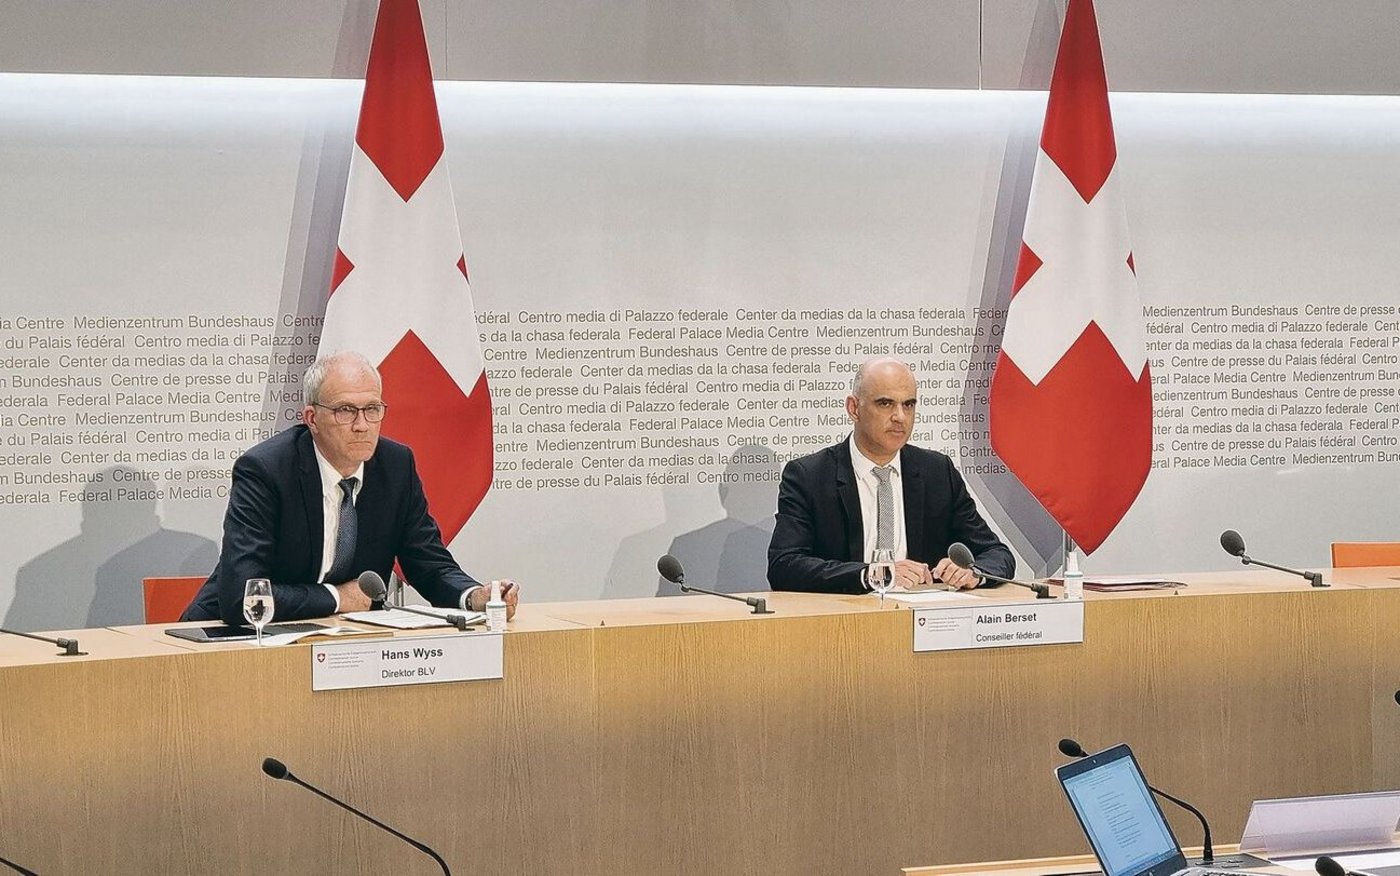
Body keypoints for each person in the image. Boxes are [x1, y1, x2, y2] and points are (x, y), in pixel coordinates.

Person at [183, 351, 518, 625]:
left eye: (372, 409)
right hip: (232, 636)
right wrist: (338, 598)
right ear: (312, 419)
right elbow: (245, 595)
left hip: (340, 639)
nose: (362, 425)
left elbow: (429, 563)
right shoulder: (266, 471)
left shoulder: (396, 466)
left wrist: (475, 597)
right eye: (346, 411)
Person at [767, 356, 1014, 593]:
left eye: (908, 404)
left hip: (924, 621)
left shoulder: (938, 472)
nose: (900, 417)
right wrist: (872, 574)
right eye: (885, 403)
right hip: (845, 620)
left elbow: (998, 555)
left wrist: (974, 573)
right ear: (854, 408)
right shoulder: (809, 476)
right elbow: (784, 566)